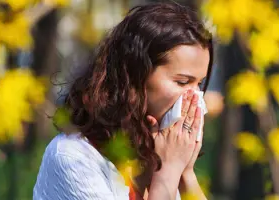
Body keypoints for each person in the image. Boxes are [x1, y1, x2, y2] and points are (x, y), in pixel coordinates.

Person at [33, 2, 213, 200]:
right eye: (183, 82)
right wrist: (167, 173)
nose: (195, 98)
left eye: (199, 84)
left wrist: (186, 174)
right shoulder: (73, 157)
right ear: (135, 76)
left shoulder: (160, 153)